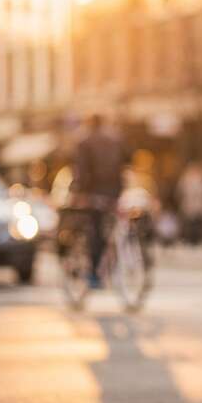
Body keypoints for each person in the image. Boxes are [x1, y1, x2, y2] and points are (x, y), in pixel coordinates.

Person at [72, 114, 127, 287]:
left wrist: (78, 192)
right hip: (115, 192)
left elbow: (81, 170)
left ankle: (94, 273)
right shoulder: (116, 140)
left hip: (94, 193)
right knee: (108, 227)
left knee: (95, 230)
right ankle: (110, 263)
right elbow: (127, 161)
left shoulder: (85, 142)